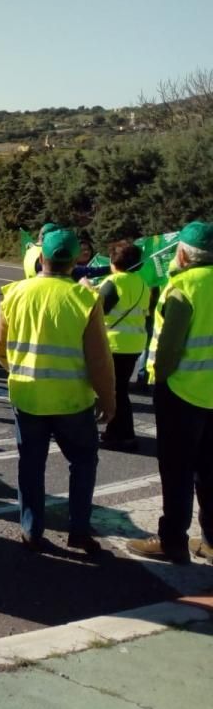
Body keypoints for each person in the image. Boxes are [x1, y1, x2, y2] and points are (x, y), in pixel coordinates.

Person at [0, 228, 114, 554]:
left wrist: (18, 370)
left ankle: (31, 530)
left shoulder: (15, 293)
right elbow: (99, 359)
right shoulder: (84, 298)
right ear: (75, 260)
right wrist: (109, 399)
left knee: (30, 465)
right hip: (72, 400)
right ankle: (78, 531)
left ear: (41, 257)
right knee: (83, 462)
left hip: (28, 398)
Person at [127, 222, 213, 564]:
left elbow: (167, 350)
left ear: (182, 253)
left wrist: (158, 379)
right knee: (210, 470)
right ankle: (210, 540)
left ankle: (173, 540)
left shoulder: (184, 286)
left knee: (177, 470)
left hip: (182, 392)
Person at [98, 241, 150, 451]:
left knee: (114, 391)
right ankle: (118, 432)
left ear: (113, 261)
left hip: (114, 343)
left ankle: (122, 434)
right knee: (119, 390)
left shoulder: (113, 282)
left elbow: (98, 312)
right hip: (134, 343)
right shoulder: (141, 283)